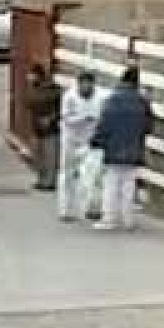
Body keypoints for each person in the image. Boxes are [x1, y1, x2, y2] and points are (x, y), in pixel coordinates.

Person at [90, 66, 153, 232]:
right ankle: (128, 220)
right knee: (129, 185)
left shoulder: (113, 99)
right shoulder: (142, 102)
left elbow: (104, 123)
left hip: (114, 147)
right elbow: (148, 126)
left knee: (111, 184)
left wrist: (97, 140)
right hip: (134, 148)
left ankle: (109, 218)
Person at [59, 69, 104, 221]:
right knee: (67, 173)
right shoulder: (69, 96)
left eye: (89, 85)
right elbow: (65, 118)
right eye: (83, 85)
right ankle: (66, 210)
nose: (86, 88)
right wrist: (83, 118)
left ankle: (93, 208)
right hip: (71, 139)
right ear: (78, 84)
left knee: (94, 174)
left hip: (90, 141)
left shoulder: (100, 96)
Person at [25, 64, 63, 192]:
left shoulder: (53, 89)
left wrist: (51, 119)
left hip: (51, 128)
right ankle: (41, 179)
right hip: (36, 126)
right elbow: (28, 104)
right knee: (38, 155)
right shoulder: (32, 88)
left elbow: (60, 108)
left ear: (38, 75)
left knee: (50, 155)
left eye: (31, 74)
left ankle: (50, 181)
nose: (29, 77)